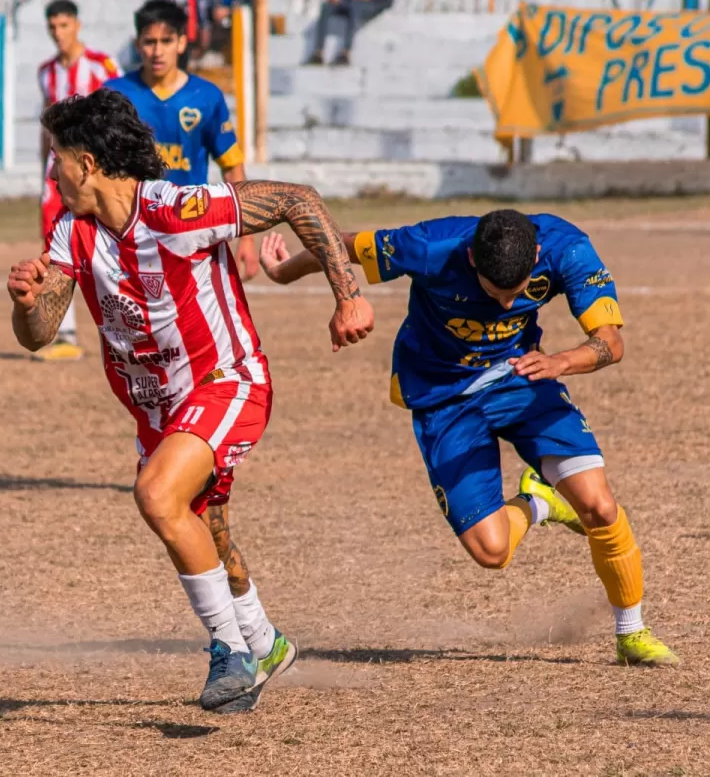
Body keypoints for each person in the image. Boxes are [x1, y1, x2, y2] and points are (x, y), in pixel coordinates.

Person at [7, 89, 374, 711]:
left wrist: (348, 295)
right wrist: (24, 304)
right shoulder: (72, 233)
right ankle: (265, 640)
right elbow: (40, 336)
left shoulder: (176, 209)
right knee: (206, 527)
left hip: (227, 381)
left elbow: (295, 200)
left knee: (157, 494)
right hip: (158, 411)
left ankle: (231, 654)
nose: (53, 172)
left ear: (88, 164)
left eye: (58, 159)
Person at [257, 212, 679, 667]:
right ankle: (537, 502)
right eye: (492, 291)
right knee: (491, 552)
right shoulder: (430, 245)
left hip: (523, 378)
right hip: (443, 399)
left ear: (535, 258)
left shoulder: (566, 248)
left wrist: (561, 362)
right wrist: (283, 273)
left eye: (513, 294)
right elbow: (340, 244)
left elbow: (610, 343)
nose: (502, 305)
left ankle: (631, 631)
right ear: (473, 257)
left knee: (599, 505)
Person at [105, 0, 260, 281]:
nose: (157, 51)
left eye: (166, 40)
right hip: (132, 233)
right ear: (137, 44)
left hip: (191, 228)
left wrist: (246, 237)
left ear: (181, 43)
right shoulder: (115, 95)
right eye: (150, 41)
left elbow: (233, 167)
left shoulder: (206, 97)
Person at [32, 0, 123, 363]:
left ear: (77, 25)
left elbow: (119, 116)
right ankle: (64, 330)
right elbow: (46, 129)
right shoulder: (45, 72)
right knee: (54, 239)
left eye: (64, 25)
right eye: (53, 26)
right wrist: (45, 169)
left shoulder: (102, 67)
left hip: (95, 170)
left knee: (111, 238)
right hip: (57, 173)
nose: (59, 33)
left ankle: (123, 324)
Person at [306, 0, 393, 67]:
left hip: (373, 4)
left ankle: (345, 53)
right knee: (327, 6)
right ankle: (318, 53)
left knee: (355, 8)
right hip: (352, 1)